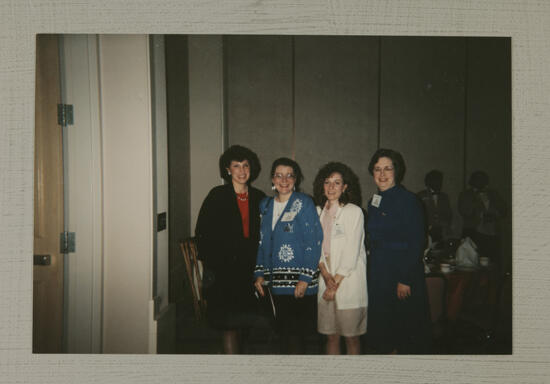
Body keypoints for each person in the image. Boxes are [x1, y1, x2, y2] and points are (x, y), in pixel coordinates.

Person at [195, 145, 266, 354]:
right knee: (229, 324)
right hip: (223, 271)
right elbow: (203, 233)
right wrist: (214, 268)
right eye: (236, 166)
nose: (242, 170)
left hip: (250, 269)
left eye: (245, 165)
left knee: (244, 322)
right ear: (228, 170)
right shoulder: (217, 196)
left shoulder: (259, 197)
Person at [253, 157, 323, 354]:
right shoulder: (265, 206)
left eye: (289, 175)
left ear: (296, 179)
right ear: (272, 179)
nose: (284, 180)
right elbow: (262, 242)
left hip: (297, 283)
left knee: (295, 336)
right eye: (279, 175)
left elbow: (314, 242)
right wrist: (259, 274)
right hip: (273, 282)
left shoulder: (304, 203)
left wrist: (304, 279)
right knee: (282, 334)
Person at [366, 148, 431, 354]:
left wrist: (405, 278)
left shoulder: (408, 200)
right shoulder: (374, 201)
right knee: (383, 328)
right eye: (377, 169)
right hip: (378, 271)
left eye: (387, 169)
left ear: (397, 171)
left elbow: (416, 242)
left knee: (402, 329)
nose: (382, 174)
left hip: (400, 272)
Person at [313, 162, 367, 355]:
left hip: (347, 282)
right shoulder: (318, 212)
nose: (331, 187)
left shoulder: (354, 212)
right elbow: (315, 249)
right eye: (327, 182)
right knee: (331, 336)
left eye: (337, 183)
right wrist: (326, 277)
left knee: (351, 337)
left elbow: (351, 254)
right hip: (326, 279)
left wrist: (334, 284)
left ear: (345, 187)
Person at [458, 170, 506, 268]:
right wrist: (479, 212)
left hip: (492, 233)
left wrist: (496, 214)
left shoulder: (494, 194)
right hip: (473, 232)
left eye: (483, 178)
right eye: (477, 178)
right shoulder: (465, 194)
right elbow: (464, 211)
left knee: (493, 262)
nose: (480, 181)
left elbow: (504, 210)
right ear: (472, 181)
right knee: (473, 261)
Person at [417, 170, 453, 243]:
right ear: (429, 182)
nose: (439, 183)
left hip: (441, 231)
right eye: (436, 180)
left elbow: (449, 214)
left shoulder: (444, 197)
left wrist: (446, 224)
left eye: (440, 181)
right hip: (425, 230)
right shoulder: (421, 195)